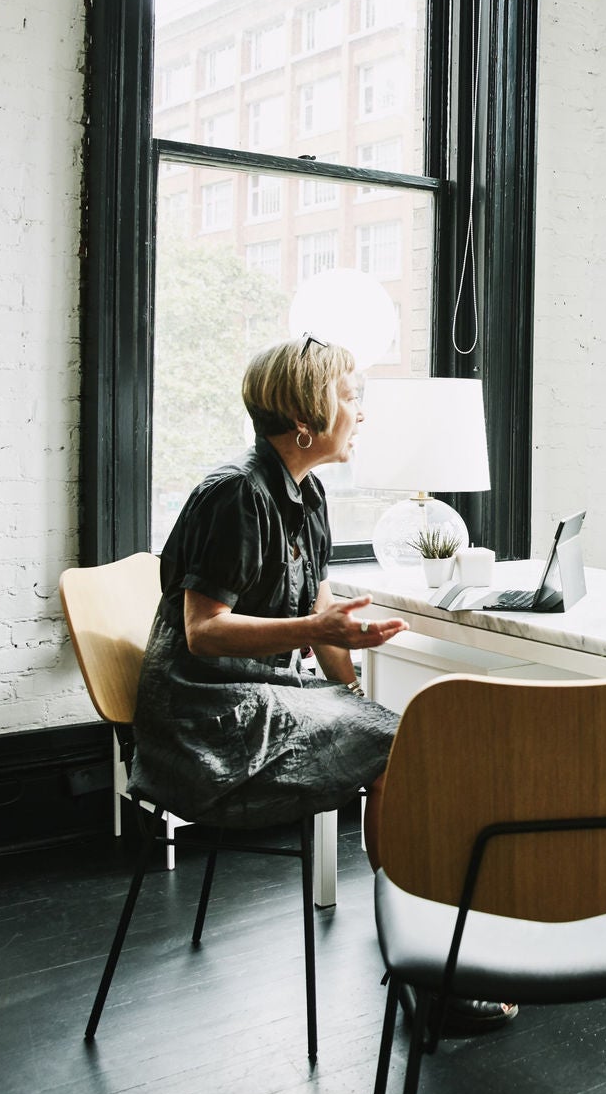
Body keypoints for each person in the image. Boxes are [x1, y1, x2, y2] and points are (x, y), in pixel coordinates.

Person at [129, 336, 514, 1031]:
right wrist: (324, 639)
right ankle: (428, 966)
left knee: (400, 736)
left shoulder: (306, 492)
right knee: (405, 745)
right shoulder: (235, 493)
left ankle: (424, 948)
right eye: (348, 394)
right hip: (203, 718)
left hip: (255, 695)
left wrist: (351, 670)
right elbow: (203, 632)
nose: (359, 411)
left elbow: (320, 614)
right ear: (304, 420)